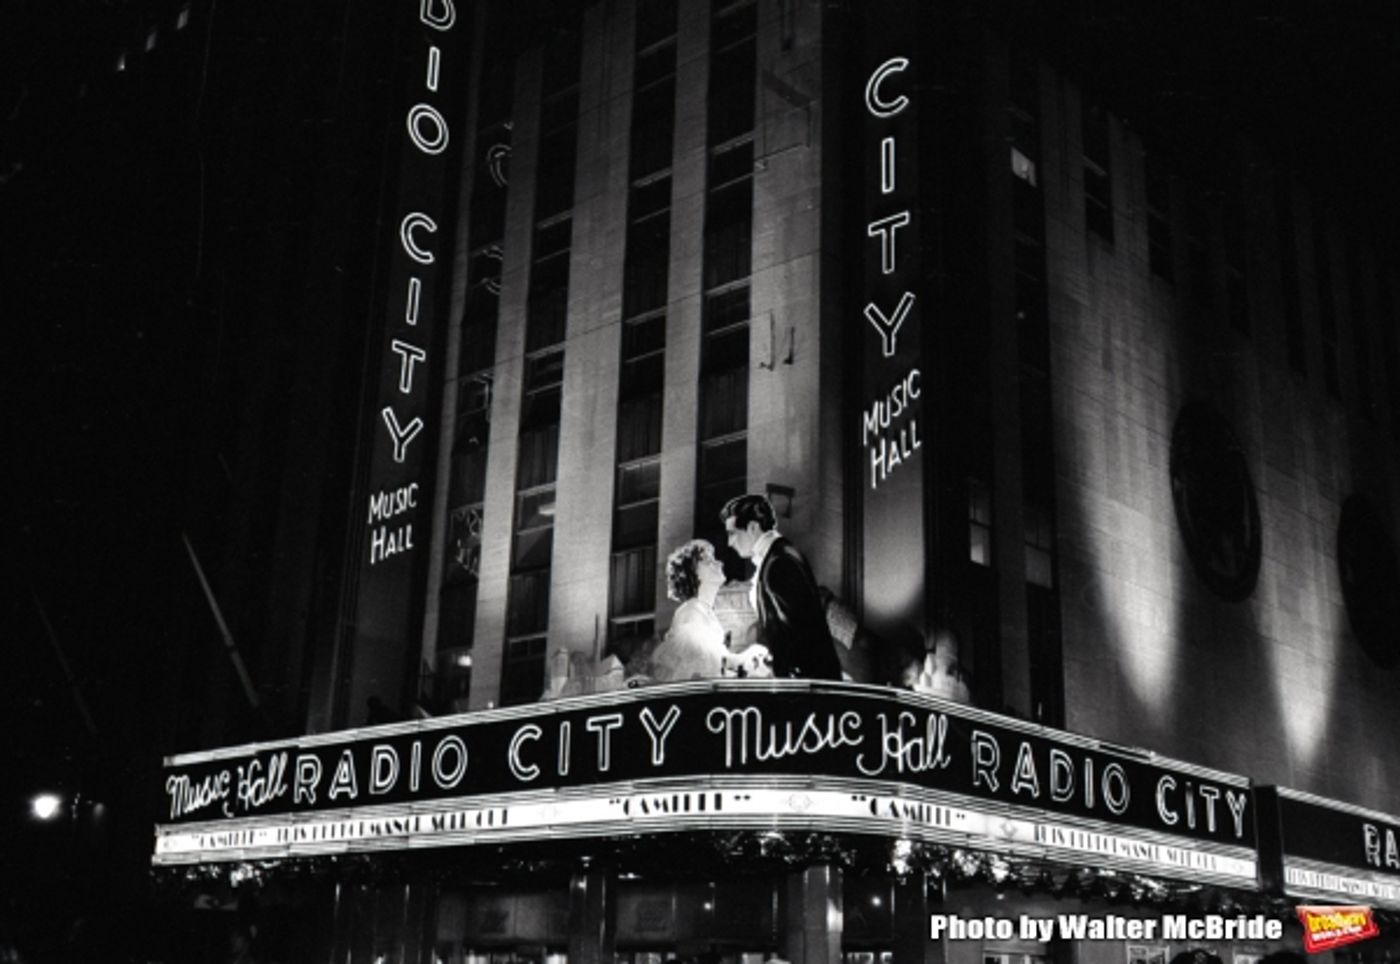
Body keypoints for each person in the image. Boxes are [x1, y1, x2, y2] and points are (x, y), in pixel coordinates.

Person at [720, 494, 841, 679]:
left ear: (753, 527)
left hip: (807, 688)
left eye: (732, 533)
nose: (730, 543)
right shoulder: (776, 557)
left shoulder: (779, 563)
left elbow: (800, 638)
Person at [651, 539, 730, 681]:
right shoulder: (692, 613)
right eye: (708, 561)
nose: (719, 563)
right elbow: (692, 675)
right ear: (694, 573)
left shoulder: (704, 612)